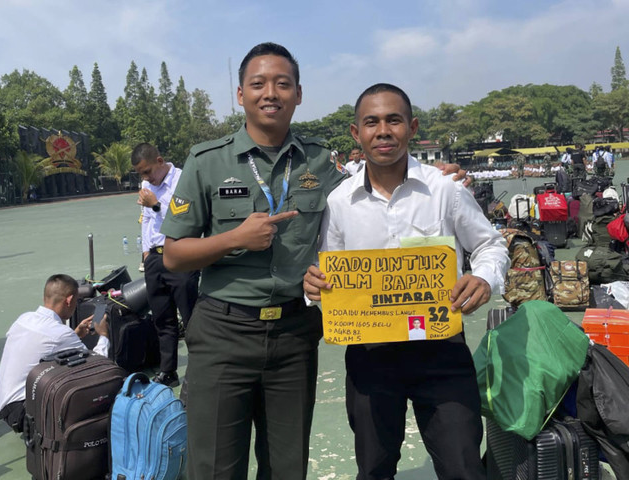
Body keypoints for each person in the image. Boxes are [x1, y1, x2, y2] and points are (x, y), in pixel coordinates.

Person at [160, 43, 467, 479]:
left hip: (294, 334)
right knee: (213, 466)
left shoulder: (320, 160)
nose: (271, 93)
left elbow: (371, 189)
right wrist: (235, 239)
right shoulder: (207, 161)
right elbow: (173, 254)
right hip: (224, 329)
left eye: (283, 84)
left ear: (298, 94)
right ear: (240, 94)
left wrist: (435, 177)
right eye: (259, 84)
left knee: (287, 467)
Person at [303, 83, 510, 480]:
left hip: (441, 348)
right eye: (372, 122)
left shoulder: (445, 190)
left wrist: (482, 278)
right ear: (356, 133)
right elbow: (325, 270)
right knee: (375, 468)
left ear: (411, 127)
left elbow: (489, 244)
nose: (383, 131)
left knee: (464, 466)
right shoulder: (339, 202)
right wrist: (314, 287)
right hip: (370, 354)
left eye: (393, 120)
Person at [0, 274, 109, 433]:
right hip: (23, 413)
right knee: (85, 385)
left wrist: (75, 334)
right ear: (69, 300)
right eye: (75, 302)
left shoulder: (24, 318)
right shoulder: (61, 334)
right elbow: (98, 365)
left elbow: (43, 346)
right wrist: (104, 336)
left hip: (4, 402)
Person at [131, 142, 200, 387]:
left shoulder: (184, 180)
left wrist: (156, 205)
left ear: (160, 161)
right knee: (163, 318)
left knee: (190, 317)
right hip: (155, 259)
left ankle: (198, 370)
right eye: (141, 174)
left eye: (148, 171)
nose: (146, 177)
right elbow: (146, 220)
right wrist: (146, 253)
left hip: (181, 254)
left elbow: (183, 218)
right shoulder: (147, 186)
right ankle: (168, 370)